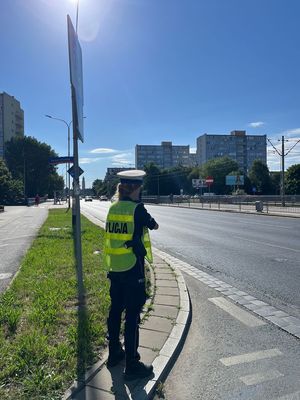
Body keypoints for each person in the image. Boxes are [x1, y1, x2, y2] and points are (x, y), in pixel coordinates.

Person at [104, 170, 159, 380]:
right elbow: (154, 225)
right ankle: (132, 364)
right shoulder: (138, 209)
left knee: (115, 311)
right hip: (131, 268)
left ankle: (114, 354)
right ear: (135, 189)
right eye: (140, 188)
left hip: (114, 267)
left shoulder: (113, 208)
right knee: (133, 315)